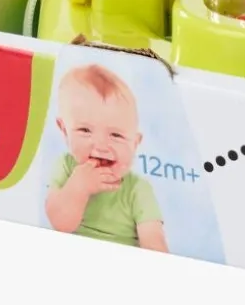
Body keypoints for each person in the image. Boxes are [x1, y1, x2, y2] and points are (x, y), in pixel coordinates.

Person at [46, 63, 168, 251]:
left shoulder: (137, 189)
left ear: (135, 143)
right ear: (64, 130)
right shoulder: (66, 167)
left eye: (116, 135)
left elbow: (154, 241)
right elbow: (59, 224)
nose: (101, 145)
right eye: (85, 130)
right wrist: (79, 187)